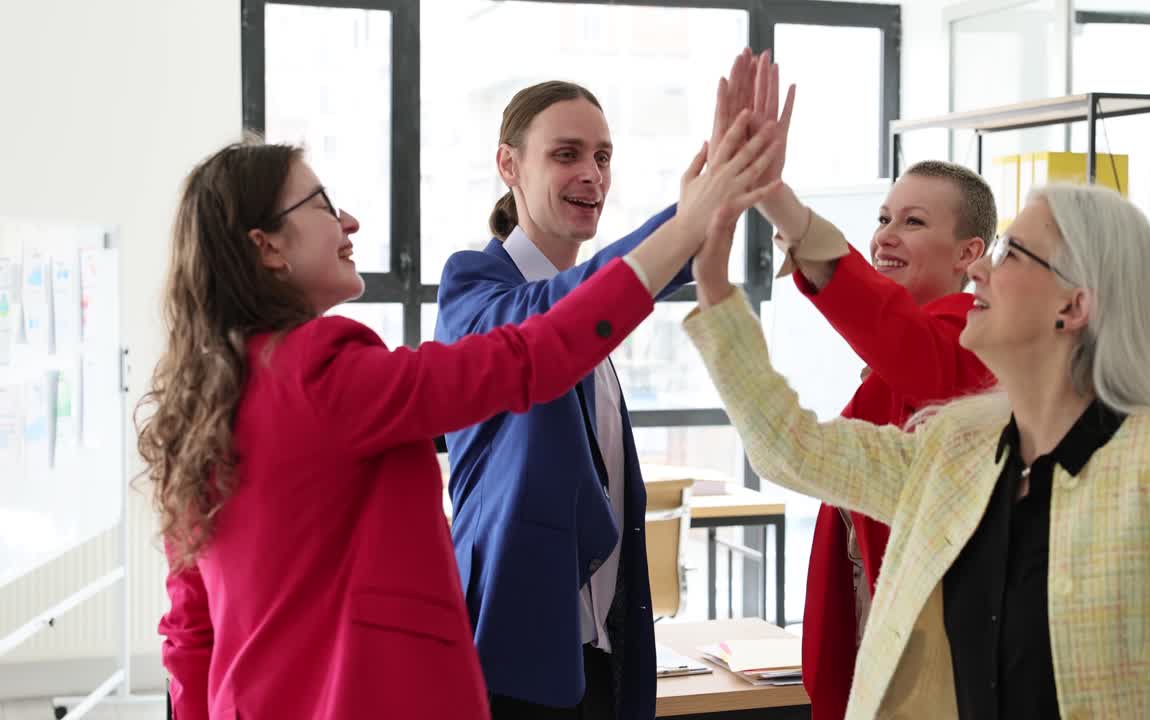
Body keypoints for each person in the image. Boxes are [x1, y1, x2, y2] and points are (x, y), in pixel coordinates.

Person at [141, 122, 776, 719]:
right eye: (323, 206)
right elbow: (532, 356)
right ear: (268, 246)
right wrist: (689, 224)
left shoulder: (203, 399)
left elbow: (190, 633)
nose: (349, 222)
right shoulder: (320, 371)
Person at [686, 179, 1150, 719]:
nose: (979, 273)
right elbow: (790, 447)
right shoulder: (953, 451)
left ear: (1074, 306)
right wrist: (712, 280)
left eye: (1011, 255)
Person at [435, 53, 779, 719]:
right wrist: (689, 214)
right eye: (566, 154)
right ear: (509, 166)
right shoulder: (475, 285)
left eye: (602, 156)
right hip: (513, 651)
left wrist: (714, 204)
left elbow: (619, 287)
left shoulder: (593, 304)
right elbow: (552, 325)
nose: (590, 174)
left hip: (600, 650)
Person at [760, 158, 995, 719]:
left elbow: (890, 328)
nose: (885, 236)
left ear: (969, 254)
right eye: (884, 217)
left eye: (913, 222)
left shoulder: (969, 343)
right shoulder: (901, 360)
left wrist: (780, 204)